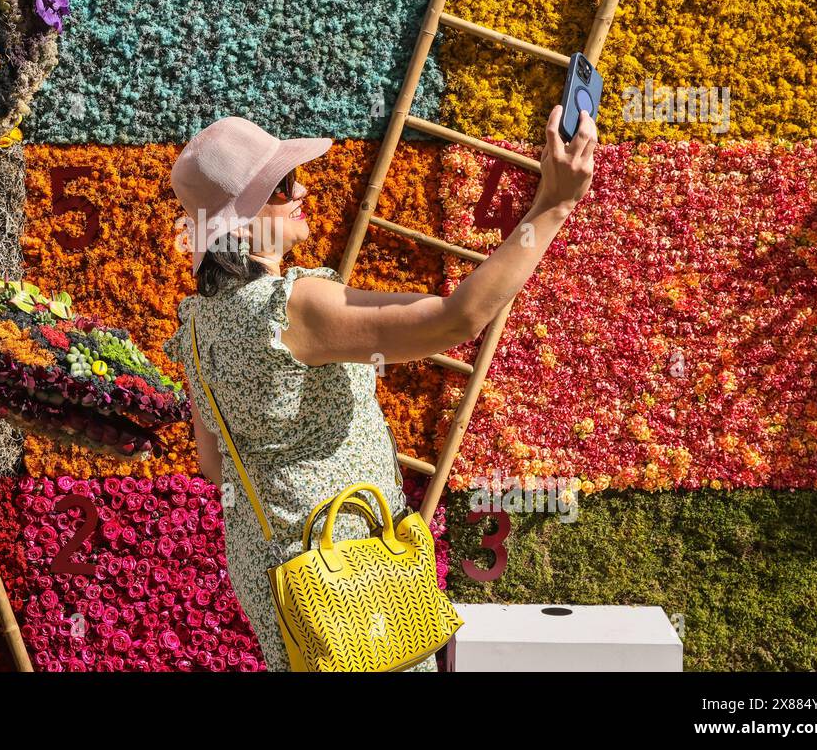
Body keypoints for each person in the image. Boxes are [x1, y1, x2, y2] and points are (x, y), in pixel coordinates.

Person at [163, 109, 597, 671]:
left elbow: (214, 463)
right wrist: (553, 205)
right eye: (280, 185)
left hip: (276, 574)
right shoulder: (292, 307)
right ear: (240, 223)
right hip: (348, 571)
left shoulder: (198, 324)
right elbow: (456, 319)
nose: (302, 187)